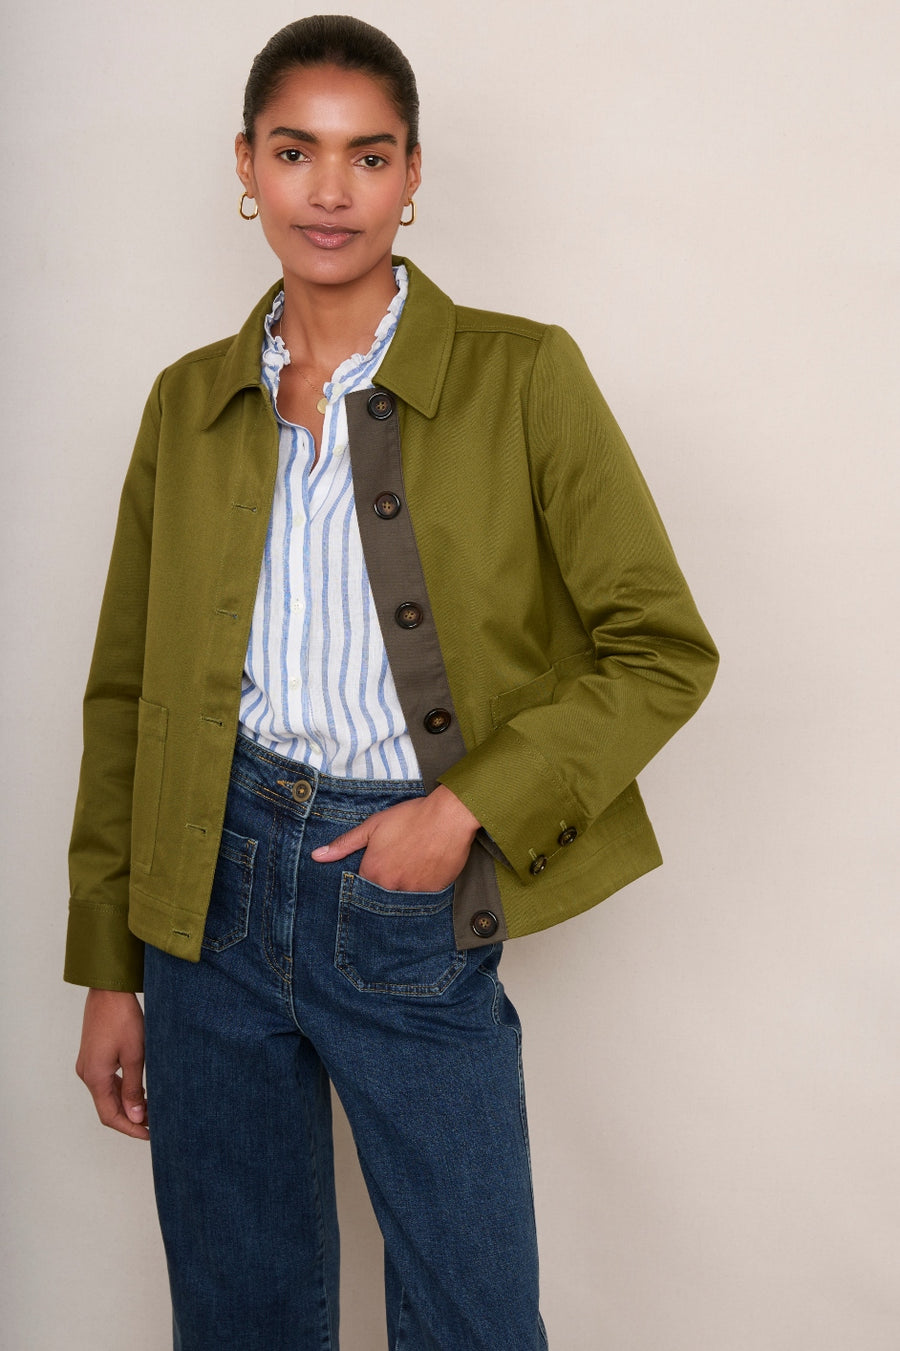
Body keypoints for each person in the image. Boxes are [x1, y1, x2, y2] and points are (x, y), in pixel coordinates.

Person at [66, 14, 718, 1350]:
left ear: (414, 174)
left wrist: (464, 809)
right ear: (245, 165)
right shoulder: (187, 404)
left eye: (368, 156)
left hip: (408, 890)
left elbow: (661, 646)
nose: (330, 190)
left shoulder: (522, 375)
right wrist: (110, 971)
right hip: (205, 899)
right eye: (295, 151)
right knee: (239, 1317)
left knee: (475, 1319)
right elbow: (127, 695)